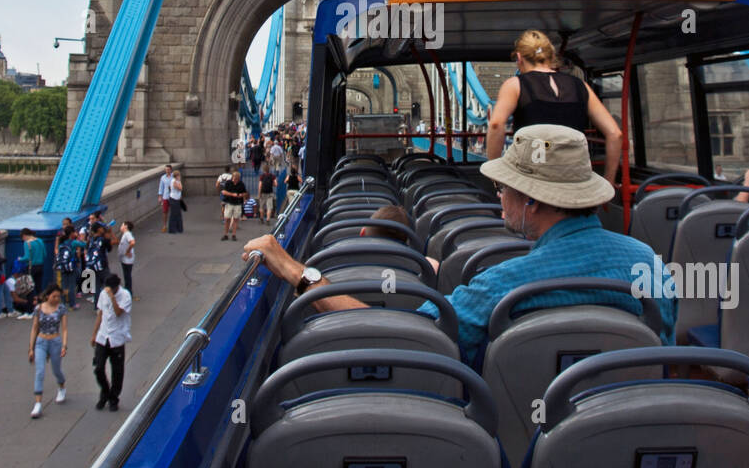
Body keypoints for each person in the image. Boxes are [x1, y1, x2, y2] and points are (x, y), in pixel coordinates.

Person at [245, 124, 676, 368]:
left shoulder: (505, 285)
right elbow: (665, 356)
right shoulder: (648, 264)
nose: (497, 196)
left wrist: (300, 273)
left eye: (505, 187)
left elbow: (404, 337)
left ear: (531, 199)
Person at [486, 30, 624, 185]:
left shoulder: (515, 85)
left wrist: (496, 178)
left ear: (519, 58)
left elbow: (496, 125)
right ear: (551, 56)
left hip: (533, 180)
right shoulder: (580, 86)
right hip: (575, 180)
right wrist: (609, 181)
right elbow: (615, 134)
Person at [91, 273, 132, 412]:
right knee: (98, 368)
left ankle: (114, 398)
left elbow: (119, 312)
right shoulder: (103, 294)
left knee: (117, 371)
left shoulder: (125, 295)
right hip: (103, 336)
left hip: (117, 337)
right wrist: (94, 334)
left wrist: (113, 298)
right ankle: (105, 392)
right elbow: (100, 313)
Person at [28, 285, 68, 418]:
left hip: (55, 341)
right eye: (54, 296)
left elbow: (64, 329)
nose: (56, 299)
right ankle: (38, 404)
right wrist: (31, 348)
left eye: (58, 296)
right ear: (47, 296)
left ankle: (61, 386)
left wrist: (64, 345)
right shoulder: (38, 309)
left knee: (56, 370)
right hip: (41, 342)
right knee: (40, 371)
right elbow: (34, 328)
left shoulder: (61, 308)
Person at [82, 221, 111, 308]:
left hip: (91, 266)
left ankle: (97, 306)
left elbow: (86, 251)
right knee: (109, 283)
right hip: (101, 266)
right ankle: (109, 304)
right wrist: (108, 234)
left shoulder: (90, 240)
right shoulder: (102, 240)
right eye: (102, 228)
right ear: (99, 229)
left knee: (97, 286)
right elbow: (109, 249)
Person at [54, 227, 81, 310]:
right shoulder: (73, 242)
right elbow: (84, 245)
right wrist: (78, 236)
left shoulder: (61, 243)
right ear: (72, 233)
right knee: (71, 285)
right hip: (71, 266)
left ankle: (62, 304)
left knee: (63, 285)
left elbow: (56, 251)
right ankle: (72, 305)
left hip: (62, 266)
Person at [221, 169, 248, 241]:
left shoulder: (241, 184)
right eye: (234, 179)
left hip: (238, 203)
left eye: (237, 179)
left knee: (236, 219)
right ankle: (226, 234)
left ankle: (234, 234)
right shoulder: (228, 183)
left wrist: (241, 195)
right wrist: (232, 194)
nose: (235, 180)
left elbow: (245, 193)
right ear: (232, 177)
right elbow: (223, 192)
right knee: (227, 218)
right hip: (229, 202)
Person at [21, 227, 47, 297]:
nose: (23, 239)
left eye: (22, 238)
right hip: (40, 266)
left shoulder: (27, 243)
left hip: (31, 267)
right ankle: (41, 302)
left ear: (24, 235)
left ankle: (31, 304)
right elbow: (45, 254)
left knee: (30, 288)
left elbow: (27, 257)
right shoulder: (40, 241)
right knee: (39, 286)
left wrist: (20, 259)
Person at [118, 220, 136, 295]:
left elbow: (132, 242)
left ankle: (128, 291)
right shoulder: (125, 234)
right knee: (126, 275)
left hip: (127, 260)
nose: (121, 227)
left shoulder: (127, 234)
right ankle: (127, 289)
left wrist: (128, 251)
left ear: (125, 226)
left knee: (127, 275)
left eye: (122, 225)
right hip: (124, 259)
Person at [159, 164, 176, 233]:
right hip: (165, 196)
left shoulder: (174, 177)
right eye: (166, 170)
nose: (167, 171)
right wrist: (160, 196)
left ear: (171, 170)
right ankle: (164, 225)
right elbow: (161, 187)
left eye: (168, 169)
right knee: (165, 212)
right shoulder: (163, 177)